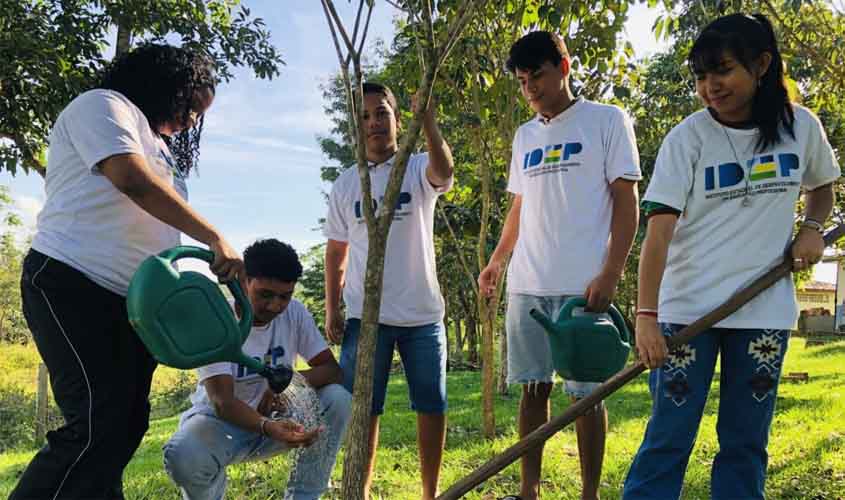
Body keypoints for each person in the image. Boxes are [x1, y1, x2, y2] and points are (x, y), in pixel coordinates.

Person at [11, 44, 243, 499]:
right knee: (98, 421)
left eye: (200, 114)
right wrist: (214, 236)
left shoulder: (159, 146)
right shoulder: (102, 105)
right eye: (189, 105)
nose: (192, 120)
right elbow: (132, 180)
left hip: (133, 306)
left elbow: (156, 230)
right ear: (165, 86)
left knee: (126, 424)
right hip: (70, 283)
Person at [622, 13, 839, 500]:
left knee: (745, 442)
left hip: (762, 310)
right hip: (687, 313)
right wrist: (647, 317)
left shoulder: (800, 127)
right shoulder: (688, 138)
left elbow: (823, 186)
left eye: (722, 71)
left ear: (761, 64)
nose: (709, 86)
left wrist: (811, 228)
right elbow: (656, 236)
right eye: (700, 75)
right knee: (668, 439)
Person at [477, 31, 641, 500]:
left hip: (583, 286)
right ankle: (530, 490)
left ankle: (588, 494)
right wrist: (497, 260)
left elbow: (626, 201)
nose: (531, 89)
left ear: (564, 67)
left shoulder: (607, 121)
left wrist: (611, 271)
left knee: (586, 396)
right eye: (523, 81)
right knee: (532, 390)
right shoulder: (525, 136)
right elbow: (518, 207)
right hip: (528, 284)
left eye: (539, 77)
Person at [323, 82, 454, 500]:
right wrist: (332, 308)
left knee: (431, 407)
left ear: (397, 118)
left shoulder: (416, 167)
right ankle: (357, 491)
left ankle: (430, 493)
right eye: (364, 116)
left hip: (422, 315)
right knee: (362, 410)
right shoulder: (346, 185)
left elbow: (445, 173)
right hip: (366, 317)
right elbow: (336, 252)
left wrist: (429, 123)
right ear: (355, 127)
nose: (374, 122)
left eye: (381, 112)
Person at [163, 238, 351, 500]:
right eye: (265, 294)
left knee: (338, 399)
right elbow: (222, 402)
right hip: (223, 424)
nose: (275, 306)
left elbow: (332, 370)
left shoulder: (294, 313)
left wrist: (287, 385)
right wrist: (265, 426)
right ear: (244, 282)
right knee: (184, 453)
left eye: (284, 296)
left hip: (282, 419)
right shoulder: (217, 321)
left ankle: (305, 495)